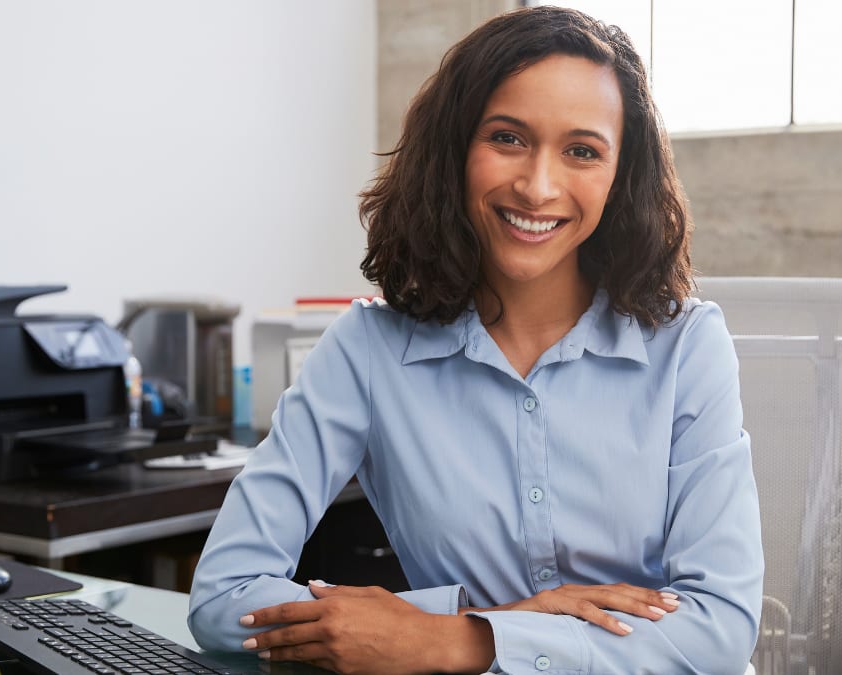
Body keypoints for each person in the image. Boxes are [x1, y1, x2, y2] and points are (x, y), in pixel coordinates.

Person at [188, 6, 763, 674]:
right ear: (455, 149)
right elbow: (223, 596)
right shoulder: (368, 349)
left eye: (582, 150)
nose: (538, 185)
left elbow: (719, 631)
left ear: (619, 176)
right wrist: (501, 623)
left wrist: (449, 638)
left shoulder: (687, 345)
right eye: (508, 138)